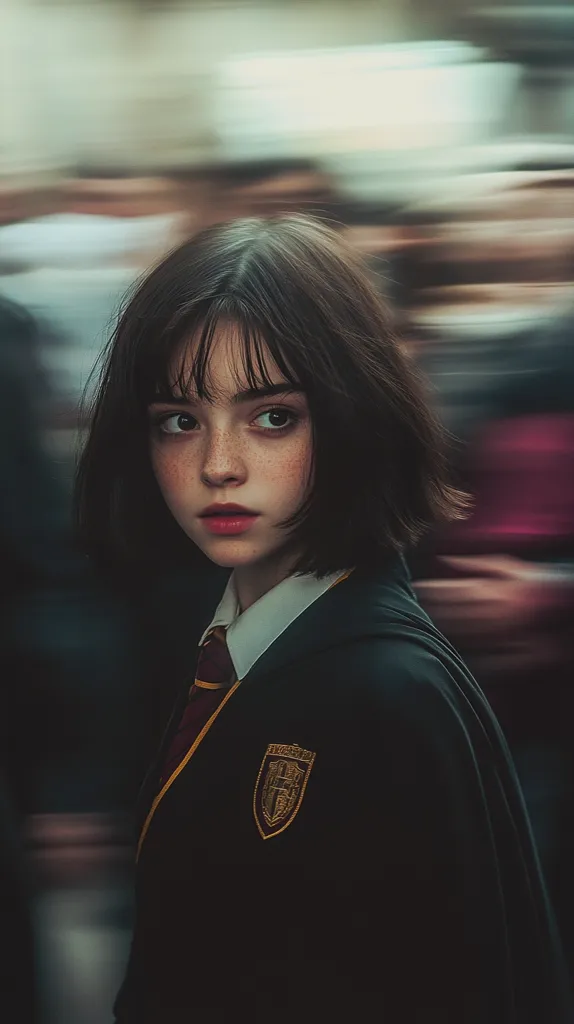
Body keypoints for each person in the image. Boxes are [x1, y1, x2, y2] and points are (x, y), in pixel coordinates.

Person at [75, 216, 572, 1023]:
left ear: (350, 415)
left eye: (272, 416)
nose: (218, 465)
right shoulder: (221, 640)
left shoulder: (384, 688)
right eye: (180, 419)